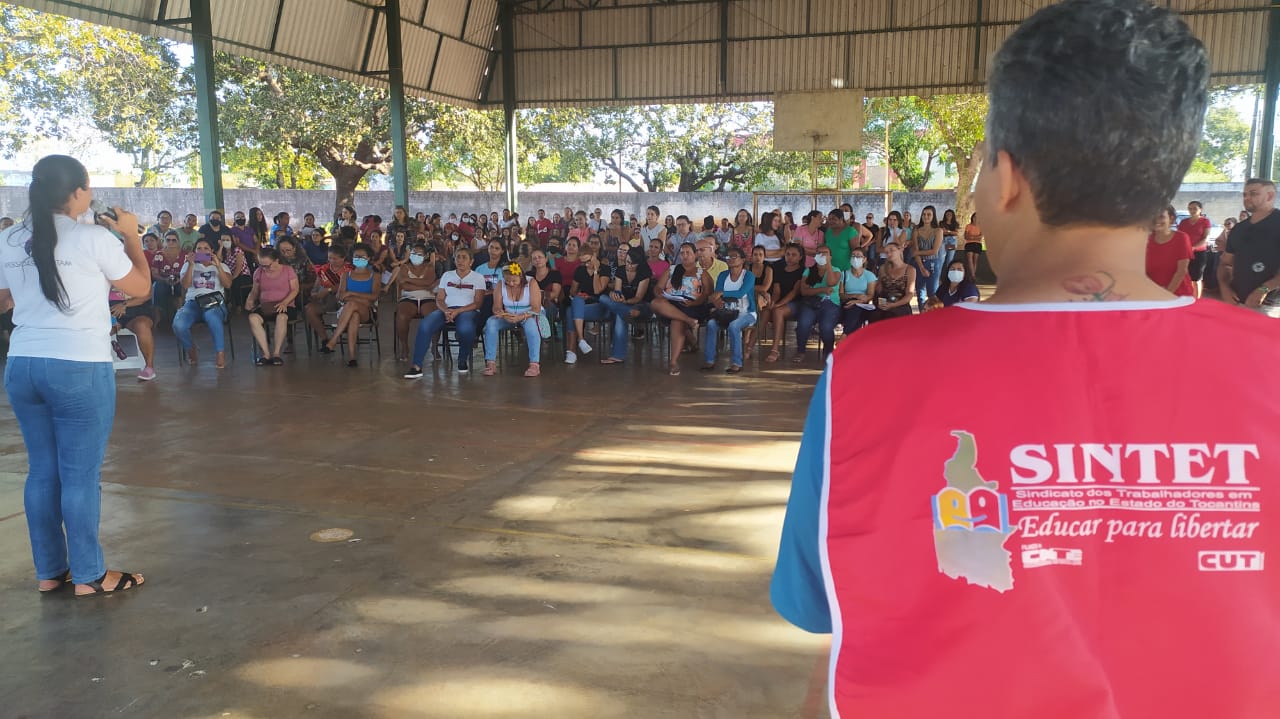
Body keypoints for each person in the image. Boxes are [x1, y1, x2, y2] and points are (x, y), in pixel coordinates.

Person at [773, 3, 1280, 717]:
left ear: (1006, 177)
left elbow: (828, 614)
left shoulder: (868, 374)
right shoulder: (1267, 364)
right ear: (1159, 182)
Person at [0, 155, 152, 597]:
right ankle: (89, 575)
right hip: (79, 366)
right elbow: (141, 288)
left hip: (23, 362)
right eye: (88, 187)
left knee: (42, 471)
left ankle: (50, 572)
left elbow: (4, 300)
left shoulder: (8, 238)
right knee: (80, 474)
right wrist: (132, 236)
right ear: (77, 192)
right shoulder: (94, 238)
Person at [404, 246, 485, 377]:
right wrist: (446, 310)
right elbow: (440, 298)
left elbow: (478, 303)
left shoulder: (478, 277)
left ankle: (462, 359)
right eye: (458, 257)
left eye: (464, 257)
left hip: (468, 310)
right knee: (425, 325)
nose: (460, 260)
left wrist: (458, 311)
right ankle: (416, 366)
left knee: (465, 328)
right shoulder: (447, 275)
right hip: (446, 310)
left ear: (471, 261)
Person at [1219, 178, 1280, 317]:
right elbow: (1225, 263)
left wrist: (1264, 289)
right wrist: (1224, 287)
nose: (1247, 198)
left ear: (1270, 196)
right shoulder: (1239, 229)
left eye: (1253, 193)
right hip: (1237, 301)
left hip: (1271, 305)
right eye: (1244, 194)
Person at [651, 242, 712, 375]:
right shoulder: (672, 270)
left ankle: (673, 362)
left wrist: (694, 303)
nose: (684, 255)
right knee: (655, 302)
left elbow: (707, 293)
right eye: (682, 253)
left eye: (688, 253)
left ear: (695, 254)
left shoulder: (701, 273)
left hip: (691, 305)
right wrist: (661, 293)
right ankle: (689, 321)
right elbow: (658, 287)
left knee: (677, 321)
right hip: (671, 303)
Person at [174, 237, 232, 368]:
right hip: (193, 302)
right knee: (179, 324)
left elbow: (228, 284)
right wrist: (191, 265)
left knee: (213, 317)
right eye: (199, 249)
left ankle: (220, 353)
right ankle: (191, 349)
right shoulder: (188, 265)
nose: (202, 251)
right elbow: (185, 285)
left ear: (212, 251)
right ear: (194, 251)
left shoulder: (222, 266)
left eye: (206, 248)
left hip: (214, 302)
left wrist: (218, 266)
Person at [482, 263, 544, 377]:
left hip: (528, 315)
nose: (511, 283)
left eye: (514, 280)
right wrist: (503, 314)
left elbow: (536, 308)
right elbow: (496, 307)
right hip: (508, 315)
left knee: (531, 326)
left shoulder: (531, 282)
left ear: (521, 276)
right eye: (507, 281)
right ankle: (490, 363)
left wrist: (520, 317)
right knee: (491, 323)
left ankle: (534, 364)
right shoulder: (500, 284)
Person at [701, 247, 757, 374]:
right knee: (711, 324)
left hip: (747, 313)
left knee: (734, 326)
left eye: (734, 256)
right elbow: (716, 295)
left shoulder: (748, 275)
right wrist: (717, 301)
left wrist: (722, 293)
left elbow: (741, 293)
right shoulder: (723, 275)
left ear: (742, 260)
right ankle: (709, 360)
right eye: (728, 257)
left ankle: (737, 362)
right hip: (726, 312)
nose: (730, 259)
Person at [324, 243, 381, 365]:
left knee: (351, 304)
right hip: (348, 310)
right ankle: (352, 356)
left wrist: (351, 294)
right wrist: (362, 299)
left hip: (367, 312)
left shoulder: (375, 275)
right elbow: (340, 296)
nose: (359, 259)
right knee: (354, 314)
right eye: (356, 256)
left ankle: (333, 340)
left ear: (368, 258)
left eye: (362, 256)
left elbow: (374, 296)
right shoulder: (346, 275)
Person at [245, 247, 300, 365]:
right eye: (262, 265)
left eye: (267, 265)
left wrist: (285, 302)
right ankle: (266, 354)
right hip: (266, 306)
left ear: (276, 260)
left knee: (281, 317)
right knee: (253, 318)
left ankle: (276, 353)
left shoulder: (288, 270)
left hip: (286, 306)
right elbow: (255, 291)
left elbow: (295, 289)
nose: (264, 268)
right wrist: (250, 299)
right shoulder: (258, 272)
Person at [599, 246, 653, 364]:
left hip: (640, 305)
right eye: (628, 262)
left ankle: (618, 354)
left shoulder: (644, 273)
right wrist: (616, 295)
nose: (629, 265)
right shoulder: (620, 270)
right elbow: (618, 290)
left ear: (640, 263)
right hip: (623, 304)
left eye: (633, 264)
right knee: (603, 298)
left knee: (620, 314)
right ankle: (626, 312)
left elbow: (638, 297)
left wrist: (625, 302)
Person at [791, 245, 841, 363]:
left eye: (825, 253)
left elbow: (831, 282)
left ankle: (828, 351)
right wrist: (822, 290)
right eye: (819, 253)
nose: (822, 255)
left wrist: (828, 264)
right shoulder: (809, 271)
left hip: (830, 303)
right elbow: (804, 291)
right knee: (803, 323)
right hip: (811, 302)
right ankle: (801, 351)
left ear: (830, 256)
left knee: (826, 327)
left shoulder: (836, 270)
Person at [393, 243, 440, 362]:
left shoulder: (429, 267)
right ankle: (404, 347)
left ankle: (434, 346)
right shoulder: (404, 267)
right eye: (413, 253)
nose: (415, 256)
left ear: (425, 256)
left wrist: (408, 280)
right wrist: (424, 285)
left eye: (419, 254)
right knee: (402, 316)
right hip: (408, 298)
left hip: (428, 298)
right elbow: (404, 286)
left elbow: (429, 281)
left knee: (435, 316)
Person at [563, 246, 610, 364]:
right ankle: (581, 340)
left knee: (570, 311)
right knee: (576, 301)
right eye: (583, 262)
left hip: (599, 304)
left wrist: (596, 270)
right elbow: (572, 292)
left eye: (588, 261)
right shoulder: (580, 270)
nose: (586, 264)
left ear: (594, 256)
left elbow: (598, 290)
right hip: (583, 305)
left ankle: (572, 350)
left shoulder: (604, 269)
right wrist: (580, 294)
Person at [763, 244, 806, 363]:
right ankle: (749, 345)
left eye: (794, 255)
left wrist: (778, 305)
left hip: (797, 303)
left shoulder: (803, 271)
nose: (790, 257)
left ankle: (775, 349)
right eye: (788, 254)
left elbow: (794, 292)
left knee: (778, 311)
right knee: (766, 310)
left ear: (800, 257)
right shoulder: (779, 270)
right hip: (781, 301)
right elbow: (777, 291)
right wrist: (773, 302)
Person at [109, 284, 158, 381]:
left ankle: (149, 367)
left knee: (142, 325)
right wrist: (111, 318)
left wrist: (124, 305)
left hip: (137, 310)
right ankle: (98, 366)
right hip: (112, 311)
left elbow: (147, 295)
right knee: (100, 331)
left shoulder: (139, 274)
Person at [306, 246, 351, 347]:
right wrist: (314, 293)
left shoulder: (350, 268)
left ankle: (344, 331)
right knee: (309, 309)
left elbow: (348, 285)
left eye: (335, 258)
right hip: (325, 300)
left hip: (344, 300)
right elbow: (317, 285)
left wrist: (328, 290)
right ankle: (324, 339)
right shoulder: (324, 269)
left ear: (343, 258)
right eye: (330, 258)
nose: (332, 261)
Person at [1146, 205, 1194, 297]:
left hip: (1178, 295)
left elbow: (1181, 271)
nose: (1156, 220)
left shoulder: (1181, 238)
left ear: (1171, 219)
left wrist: (1166, 294)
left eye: (1161, 217)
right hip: (1152, 295)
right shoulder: (1145, 240)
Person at [869, 241, 915, 321]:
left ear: (900, 250)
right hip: (885, 303)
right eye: (886, 252)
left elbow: (910, 294)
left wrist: (893, 305)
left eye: (891, 250)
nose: (889, 253)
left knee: (892, 315)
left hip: (901, 304)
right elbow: (879, 290)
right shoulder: (883, 268)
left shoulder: (910, 269)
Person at [910, 205, 945, 307]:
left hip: (934, 263)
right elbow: (915, 250)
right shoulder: (916, 231)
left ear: (933, 216)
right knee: (920, 291)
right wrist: (921, 267)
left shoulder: (938, 231)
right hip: (919, 263)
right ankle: (922, 313)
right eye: (924, 214)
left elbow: (934, 251)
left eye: (929, 214)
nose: (926, 216)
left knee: (932, 292)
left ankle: (933, 314)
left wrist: (918, 253)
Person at [838, 247, 878, 334]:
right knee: (854, 311)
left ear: (864, 259)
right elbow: (841, 294)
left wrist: (857, 302)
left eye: (858, 256)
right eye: (853, 256)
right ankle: (849, 336)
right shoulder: (844, 274)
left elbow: (870, 295)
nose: (855, 258)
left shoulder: (869, 275)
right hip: (847, 302)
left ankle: (846, 335)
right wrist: (855, 296)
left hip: (863, 304)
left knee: (856, 310)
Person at [1178, 200, 1212, 298]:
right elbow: (1179, 237)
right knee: (1184, 277)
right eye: (1190, 209)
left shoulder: (1205, 221)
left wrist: (1193, 247)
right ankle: (1186, 297)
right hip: (1185, 254)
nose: (1192, 211)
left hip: (1199, 253)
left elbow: (1206, 238)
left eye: (1195, 209)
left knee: (1196, 279)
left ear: (1200, 209)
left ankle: (1197, 300)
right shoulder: (1183, 222)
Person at [962, 212, 984, 278]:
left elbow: (980, 237)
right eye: (975, 217)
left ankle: (972, 275)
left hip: (978, 244)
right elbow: (966, 236)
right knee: (970, 259)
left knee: (975, 260)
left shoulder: (981, 226)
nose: (976, 218)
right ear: (972, 218)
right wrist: (975, 237)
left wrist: (971, 237)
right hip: (969, 244)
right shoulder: (968, 226)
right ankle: (973, 276)